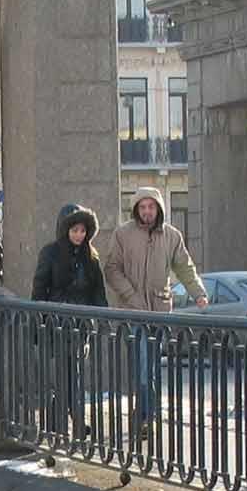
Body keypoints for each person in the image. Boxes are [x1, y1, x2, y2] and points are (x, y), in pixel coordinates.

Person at [102, 187, 205, 453]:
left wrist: (198, 293)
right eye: (143, 207)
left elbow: (184, 267)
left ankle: (147, 414)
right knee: (143, 365)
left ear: (159, 209)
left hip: (159, 311)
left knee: (150, 366)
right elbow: (111, 269)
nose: (147, 211)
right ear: (136, 209)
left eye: (151, 207)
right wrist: (131, 295)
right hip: (133, 311)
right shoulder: (123, 234)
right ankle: (147, 415)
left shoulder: (171, 236)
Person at [31, 204, 108, 438]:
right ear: (65, 230)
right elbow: (39, 289)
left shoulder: (90, 256)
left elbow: (98, 291)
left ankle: (58, 420)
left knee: (71, 373)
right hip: (57, 324)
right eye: (74, 230)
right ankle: (74, 420)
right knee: (69, 374)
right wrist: (38, 324)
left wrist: (103, 317)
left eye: (82, 231)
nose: (79, 235)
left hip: (81, 325)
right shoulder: (50, 253)